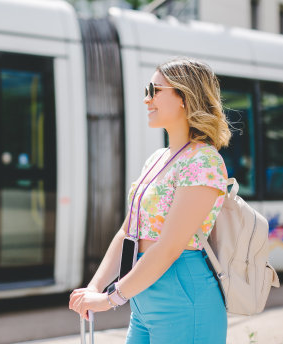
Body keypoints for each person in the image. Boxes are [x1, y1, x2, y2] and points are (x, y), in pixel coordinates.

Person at [69, 57, 232, 343]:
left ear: (184, 97)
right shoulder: (157, 159)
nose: (147, 100)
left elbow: (169, 247)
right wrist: (95, 287)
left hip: (182, 296)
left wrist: (110, 299)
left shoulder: (204, 161)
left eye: (154, 90)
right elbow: (127, 232)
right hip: (143, 296)